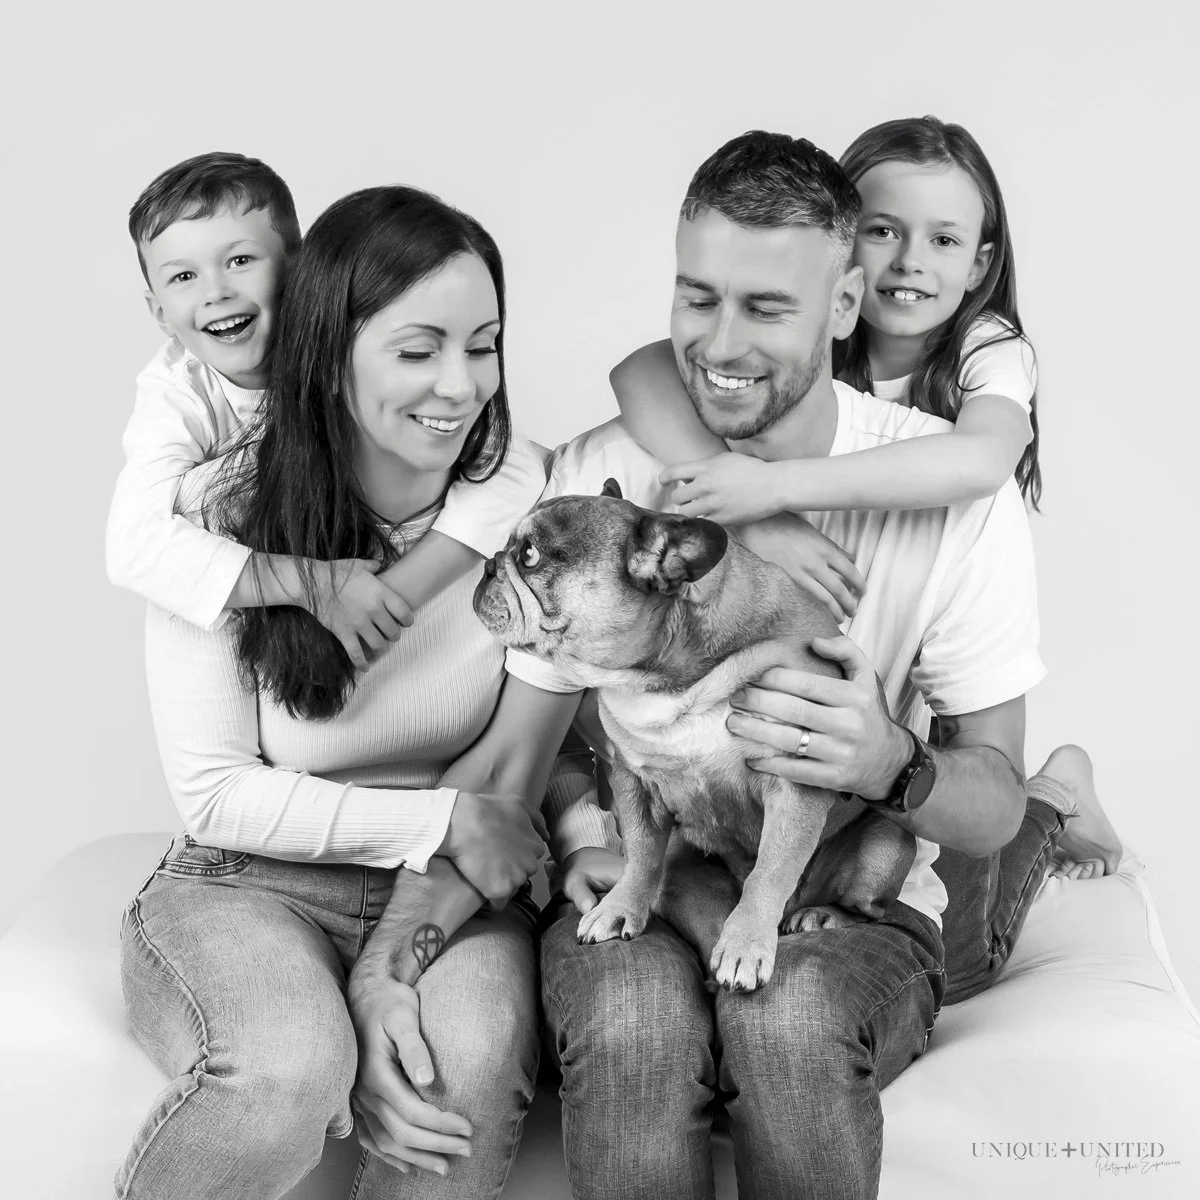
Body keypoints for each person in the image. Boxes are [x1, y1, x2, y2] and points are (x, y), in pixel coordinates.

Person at [503, 129, 1048, 1200]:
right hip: (669, 861)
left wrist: (891, 761)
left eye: (766, 308)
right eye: (697, 297)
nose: (720, 344)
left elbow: (991, 807)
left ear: (845, 306)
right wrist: (577, 838)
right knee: (632, 1021)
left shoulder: (956, 502)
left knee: (789, 1018)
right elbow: (526, 752)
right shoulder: (607, 474)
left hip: (843, 885)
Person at [116, 185, 587, 1200]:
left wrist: (399, 952)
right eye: (419, 350)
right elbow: (215, 795)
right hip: (248, 881)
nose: (460, 385)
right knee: (289, 1069)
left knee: (459, 1073)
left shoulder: (538, 508)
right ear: (329, 354)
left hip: (455, 889)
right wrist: (438, 819)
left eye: (483, 345)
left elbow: (516, 775)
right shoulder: (215, 519)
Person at [607, 117, 1121, 998]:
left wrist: (772, 489)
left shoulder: (988, 354)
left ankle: (1058, 798)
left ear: (982, 262)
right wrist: (760, 522)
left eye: (943, 240)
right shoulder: (785, 347)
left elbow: (981, 461)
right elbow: (641, 372)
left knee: (964, 905)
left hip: (914, 747)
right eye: (882, 230)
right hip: (798, 784)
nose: (905, 264)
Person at [108, 151, 547, 671]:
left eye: (240, 261)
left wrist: (397, 592)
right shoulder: (177, 398)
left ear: (299, 269)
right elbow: (136, 547)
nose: (216, 292)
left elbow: (514, 463)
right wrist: (313, 584)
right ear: (159, 313)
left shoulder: (351, 355)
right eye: (183, 276)